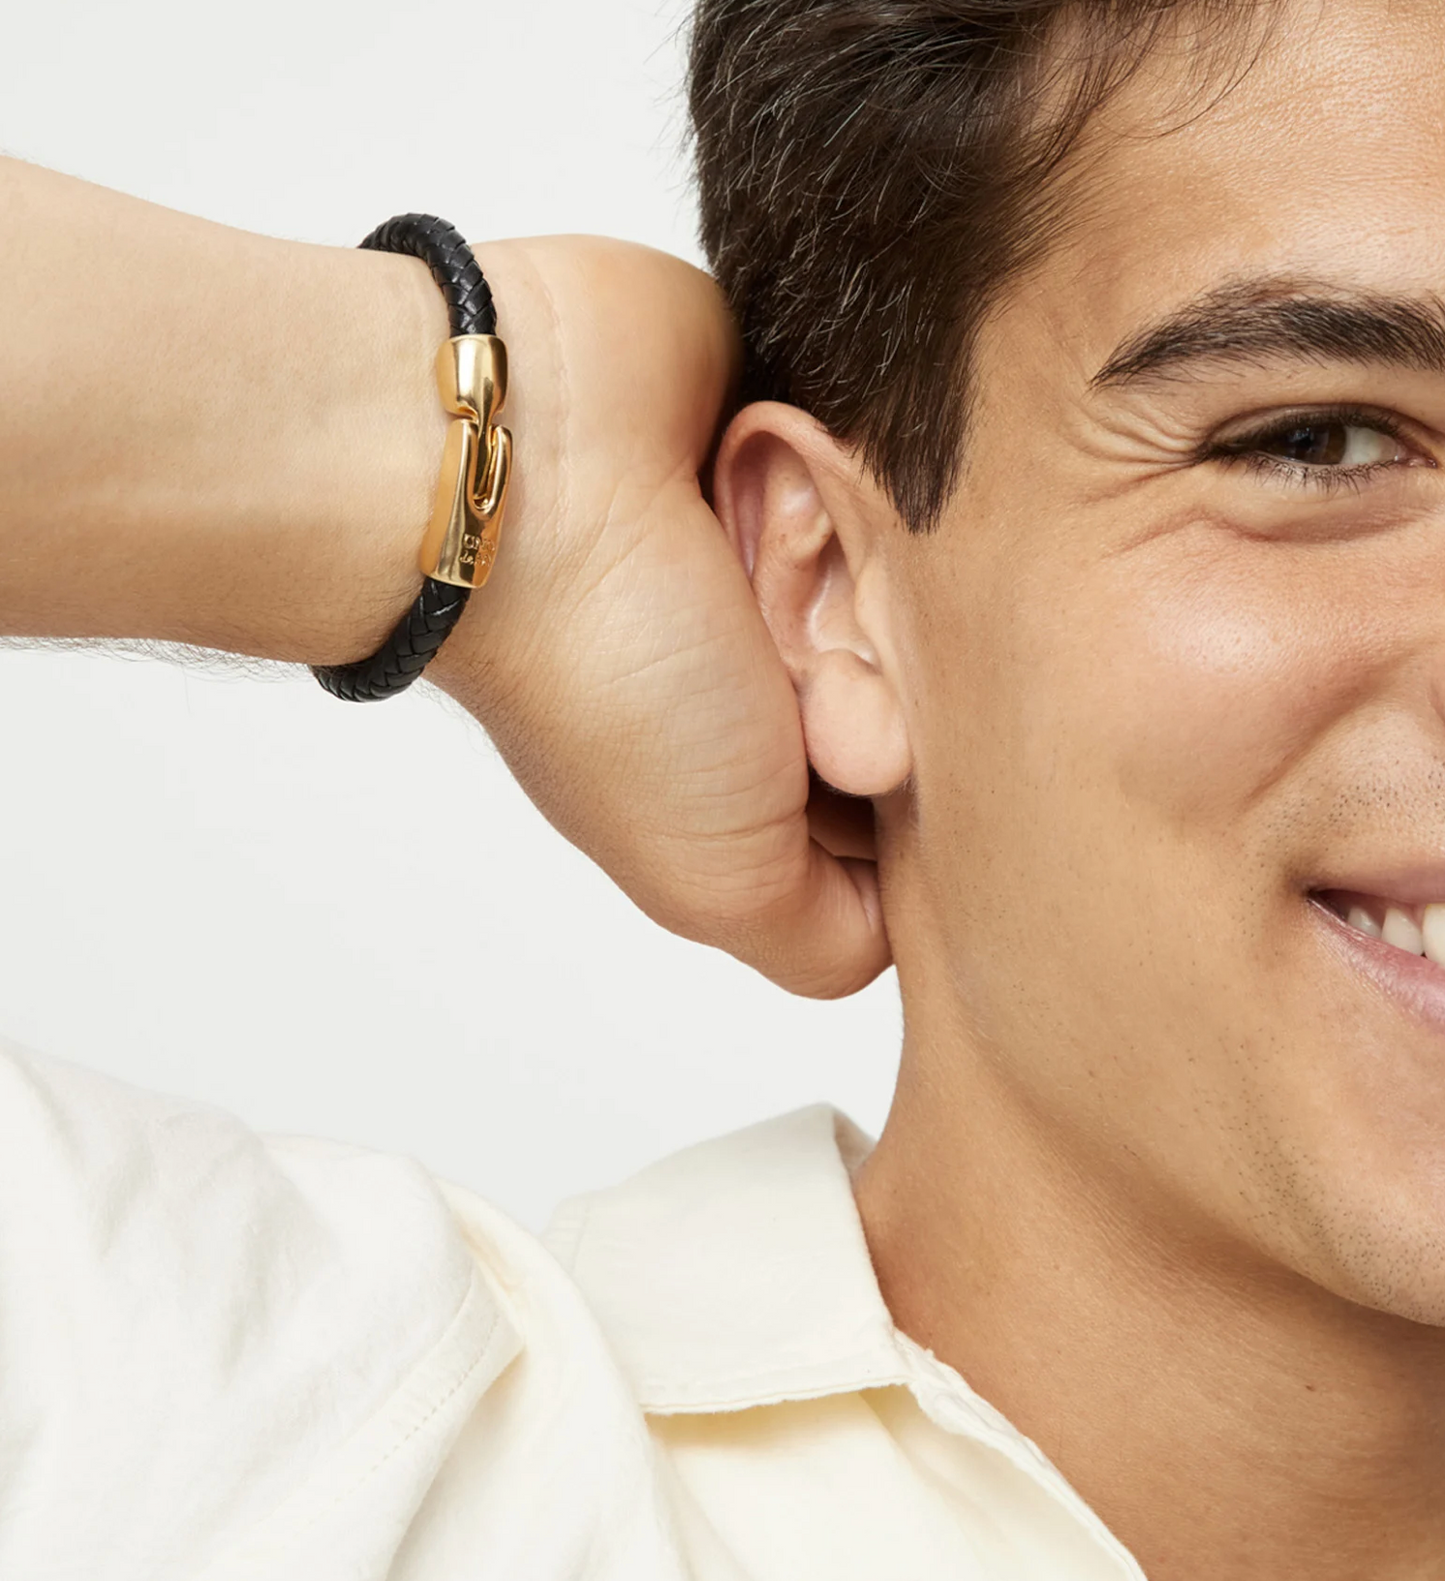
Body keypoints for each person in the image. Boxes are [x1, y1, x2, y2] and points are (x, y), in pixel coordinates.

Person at [2, 0, 1443, 1575]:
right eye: (1320, 438)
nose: (1338, 456)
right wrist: (486, 437)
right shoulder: (267, 1467)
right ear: (834, 590)